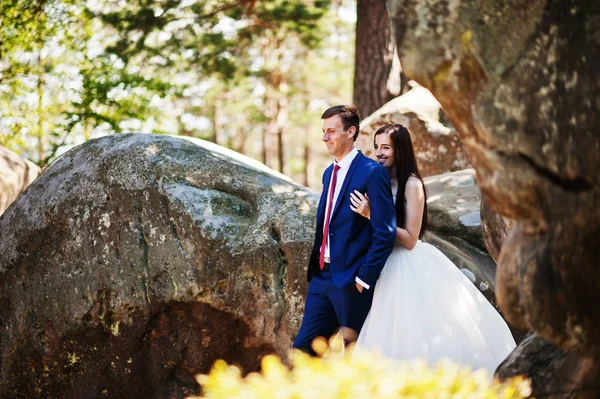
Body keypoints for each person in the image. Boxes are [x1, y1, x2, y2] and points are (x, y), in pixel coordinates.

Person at [351, 124, 516, 374]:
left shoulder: (412, 185)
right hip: (383, 263)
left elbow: (410, 239)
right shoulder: (380, 180)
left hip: (408, 263)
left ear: (401, 150)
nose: (379, 152)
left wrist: (372, 215)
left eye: (386, 147)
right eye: (376, 146)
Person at [293, 106, 397, 354]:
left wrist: (363, 278)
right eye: (323, 132)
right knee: (302, 353)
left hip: (352, 280)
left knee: (355, 355)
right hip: (321, 278)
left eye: (331, 131)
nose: (324, 138)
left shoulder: (372, 173)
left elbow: (386, 232)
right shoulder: (329, 173)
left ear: (351, 131)